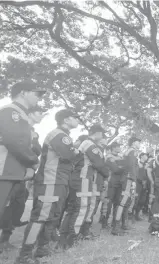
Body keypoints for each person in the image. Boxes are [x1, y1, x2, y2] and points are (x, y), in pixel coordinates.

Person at [15, 109, 79, 263]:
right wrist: (75, 150)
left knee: (53, 216)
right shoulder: (59, 135)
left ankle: (42, 250)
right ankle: (25, 254)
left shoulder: (64, 136)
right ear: (66, 120)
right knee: (41, 217)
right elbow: (69, 155)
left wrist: (74, 150)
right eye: (75, 117)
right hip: (51, 180)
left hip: (59, 181)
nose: (77, 120)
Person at [0, 105, 46, 253]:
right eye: (39, 112)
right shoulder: (13, 127)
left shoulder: (34, 133)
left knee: (18, 205)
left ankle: (5, 239)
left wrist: (31, 166)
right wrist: (31, 160)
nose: (42, 116)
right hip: (6, 170)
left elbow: (36, 150)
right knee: (4, 204)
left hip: (22, 174)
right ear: (30, 113)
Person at [0, 81, 43, 226]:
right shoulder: (11, 111)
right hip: (4, 169)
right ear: (23, 93)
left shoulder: (21, 114)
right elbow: (14, 141)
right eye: (36, 93)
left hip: (11, 170)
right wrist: (32, 161)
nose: (39, 97)